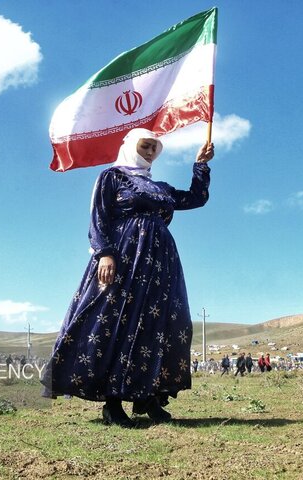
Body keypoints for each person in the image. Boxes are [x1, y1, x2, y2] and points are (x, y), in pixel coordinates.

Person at [42, 128, 214, 427]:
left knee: (159, 324)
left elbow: (196, 199)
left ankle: (148, 398)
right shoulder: (113, 177)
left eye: (153, 149)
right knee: (115, 320)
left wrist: (201, 165)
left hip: (161, 265)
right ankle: (112, 402)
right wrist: (104, 253)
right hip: (124, 257)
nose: (149, 152)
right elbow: (98, 216)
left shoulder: (160, 187)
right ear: (132, 146)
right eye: (144, 146)